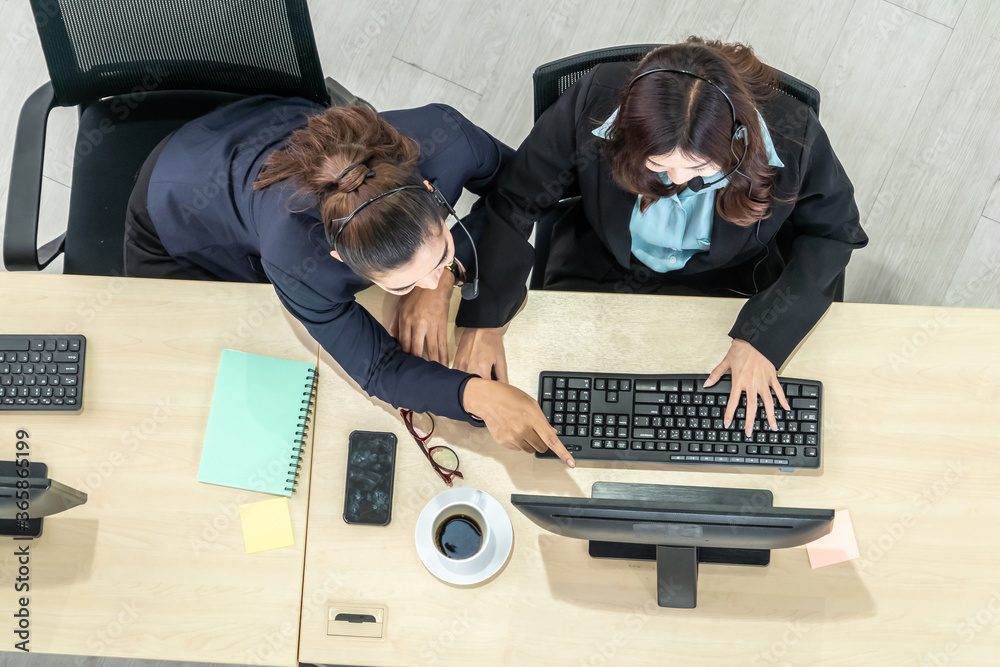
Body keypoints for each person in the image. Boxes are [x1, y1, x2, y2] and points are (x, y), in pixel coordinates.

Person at [123, 96, 574, 466]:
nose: (433, 279)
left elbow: (522, 191)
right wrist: (478, 397)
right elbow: (377, 368)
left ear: (433, 196)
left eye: (441, 254)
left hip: (262, 124)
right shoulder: (297, 260)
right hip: (179, 206)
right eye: (400, 285)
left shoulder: (447, 138)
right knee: (190, 372)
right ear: (341, 258)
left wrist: (437, 287)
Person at [454, 37, 868, 433]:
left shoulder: (796, 137)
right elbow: (515, 199)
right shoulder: (592, 101)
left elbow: (834, 234)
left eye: (700, 170)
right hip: (600, 264)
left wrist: (766, 336)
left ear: (737, 138)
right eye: (659, 165)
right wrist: (485, 318)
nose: (679, 182)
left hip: (733, 286)